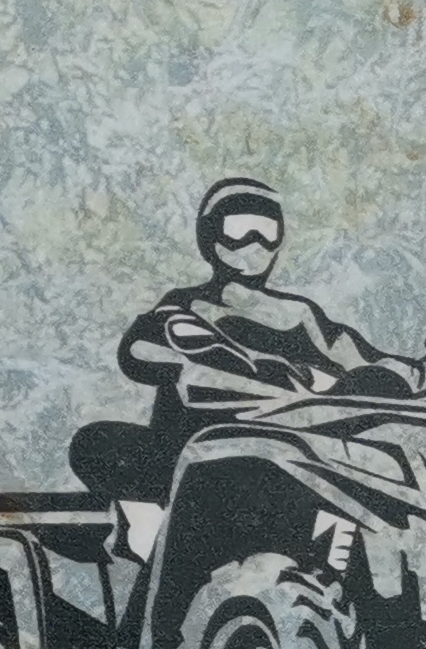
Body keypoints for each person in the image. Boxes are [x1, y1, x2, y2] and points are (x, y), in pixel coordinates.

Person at [68, 178, 393, 522]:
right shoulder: (187, 304)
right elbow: (140, 349)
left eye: (267, 232)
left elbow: (364, 359)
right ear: (211, 235)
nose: (255, 243)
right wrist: (201, 364)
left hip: (290, 457)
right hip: (197, 453)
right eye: (239, 230)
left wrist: (402, 374)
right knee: (98, 443)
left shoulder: (302, 314)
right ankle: (145, 524)